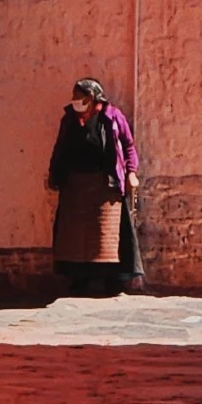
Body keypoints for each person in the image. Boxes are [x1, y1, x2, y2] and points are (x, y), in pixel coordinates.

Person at [48, 78, 142, 295]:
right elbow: (60, 146)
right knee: (75, 234)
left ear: (92, 98)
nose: (75, 102)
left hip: (105, 183)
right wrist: (54, 173)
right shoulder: (70, 119)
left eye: (79, 97)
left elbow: (128, 145)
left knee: (106, 234)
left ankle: (111, 280)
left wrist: (131, 172)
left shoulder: (112, 117)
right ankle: (79, 279)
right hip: (75, 185)